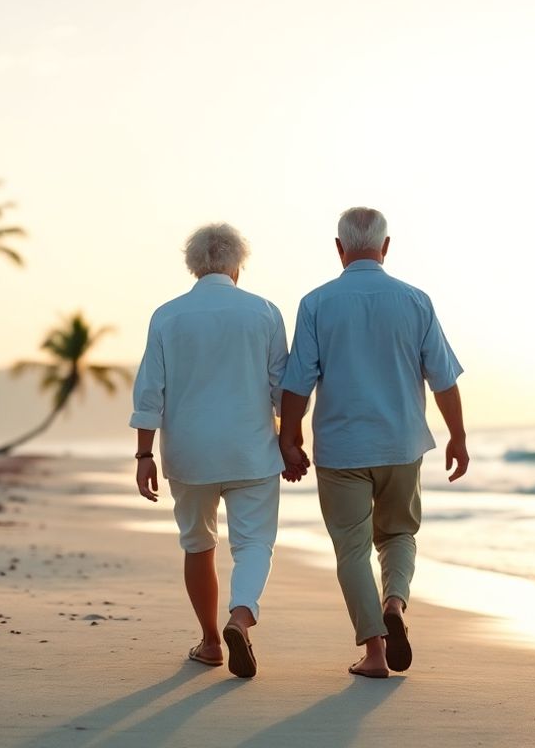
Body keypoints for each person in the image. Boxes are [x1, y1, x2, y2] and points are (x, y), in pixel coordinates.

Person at [278, 206, 468, 678]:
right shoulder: (415, 300)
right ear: (385, 247)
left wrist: (290, 439)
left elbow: (297, 383)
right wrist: (458, 437)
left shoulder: (317, 303)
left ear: (340, 248)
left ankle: (376, 653)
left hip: (342, 450)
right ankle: (396, 604)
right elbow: (443, 378)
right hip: (401, 445)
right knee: (399, 534)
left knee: (352, 549)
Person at [131, 223, 287, 679]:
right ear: (238, 265)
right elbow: (283, 386)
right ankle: (240, 617)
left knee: (198, 545)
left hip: (190, 453)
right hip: (252, 451)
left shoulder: (168, 315)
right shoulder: (264, 312)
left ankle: (212, 643)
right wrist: (292, 439)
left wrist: (144, 456)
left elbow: (149, 392)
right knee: (254, 543)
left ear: (193, 265)